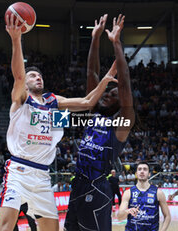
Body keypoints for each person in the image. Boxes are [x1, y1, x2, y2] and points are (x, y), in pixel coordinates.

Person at [0, 14, 118, 231]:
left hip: (42, 175)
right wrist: (16, 39)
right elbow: (18, 76)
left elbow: (88, 101)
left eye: (39, 76)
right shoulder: (21, 99)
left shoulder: (54, 101)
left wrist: (106, 78)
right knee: (6, 227)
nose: (37, 78)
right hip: (19, 171)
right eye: (32, 76)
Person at [64, 14, 135, 231]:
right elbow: (91, 74)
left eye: (112, 95)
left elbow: (124, 85)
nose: (107, 94)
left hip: (97, 189)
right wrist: (94, 38)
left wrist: (116, 43)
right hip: (78, 185)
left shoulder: (121, 122)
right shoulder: (93, 113)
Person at [118, 162, 171, 231]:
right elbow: (120, 217)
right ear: (136, 174)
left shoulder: (158, 193)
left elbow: (167, 216)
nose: (142, 171)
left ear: (149, 174)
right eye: (139, 169)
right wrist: (128, 211)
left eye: (145, 169)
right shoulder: (128, 193)